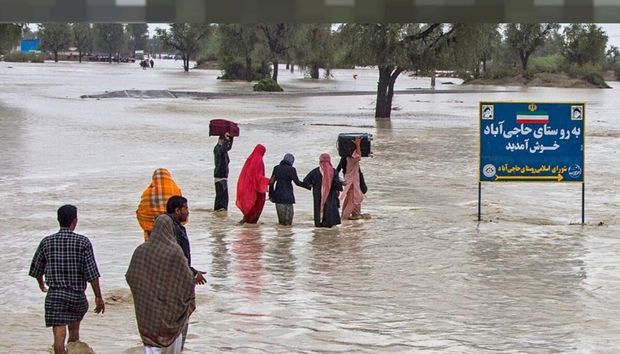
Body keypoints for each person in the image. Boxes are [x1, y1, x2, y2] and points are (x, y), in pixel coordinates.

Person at [28, 205, 105, 354]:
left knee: (58, 338)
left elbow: (36, 269)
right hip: (76, 296)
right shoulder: (83, 242)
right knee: (74, 334)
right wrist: (98, 297)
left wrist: (42, 285)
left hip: (55, 296)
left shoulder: (46, 242)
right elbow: (92, 274)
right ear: (75, 221)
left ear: (58, 220)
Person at [126, 214, 196, 354]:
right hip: (171, 313)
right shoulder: (175, 252)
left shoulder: (141, 251)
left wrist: (145, 293)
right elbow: (187, 280)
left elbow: (131, 276)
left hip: (148, 314)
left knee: (151, 349)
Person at [166, 195, 206, 349]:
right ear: (177, 210)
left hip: (171, 284)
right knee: (179, 324)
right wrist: (192, 273)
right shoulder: (174, 230)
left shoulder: (169, 227)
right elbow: (176, 259)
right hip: (176, 285)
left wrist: (192, 270)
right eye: (185, 208)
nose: (188, 212)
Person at [136, 168, 182, 241]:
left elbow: (141, 213)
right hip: (172, 231)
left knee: (153, 250)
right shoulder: (176, 190)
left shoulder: (147, 193)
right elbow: (181, 211)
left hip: (152, 233)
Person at [303, 153, 343, 228]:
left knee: (318, 208)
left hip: (317, 194)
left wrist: (312, 186)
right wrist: (340, 187)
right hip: (330, 195)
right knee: (329, 208)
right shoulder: (334, 172)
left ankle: (319, 224)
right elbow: (337, 184)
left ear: (320, 161)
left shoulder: (315, 171)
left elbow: (306, 181)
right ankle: (328, 225)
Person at [268, 153, 309, 225]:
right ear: (292, 161)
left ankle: (281, 235)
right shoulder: (292, 169)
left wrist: (271, 195)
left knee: (281, 222)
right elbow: (297, 182)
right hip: (288, 197)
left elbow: (271, 182)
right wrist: (308, 186)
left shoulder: (276, 168)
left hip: (278, 197)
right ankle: (288, 235)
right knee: (288, 223)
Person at [236, 144, 270, 224]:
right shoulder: (258, 160)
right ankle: (249, 222)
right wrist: (269, 181)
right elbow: (257, 177)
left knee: (252, 206)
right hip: (256, 189)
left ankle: (246, 221)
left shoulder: (250, 159)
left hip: (248, 187)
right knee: (256, 206)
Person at [338, 137, 366, 220]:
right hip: (353, 183)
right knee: (353, 201)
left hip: (349, 182)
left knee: (350, 200)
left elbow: (337, 169)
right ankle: (344, 220)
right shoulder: (352, 159)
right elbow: (358, 156)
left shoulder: (344, 159)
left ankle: (353, 217)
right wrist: (358, 144)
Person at [213, 132, 233, 211]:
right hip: (219, 176)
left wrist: (231, 138)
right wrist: (227, 140)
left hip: (223, 176)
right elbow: (223, 149)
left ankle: (220, 212)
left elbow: (228, 148)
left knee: (224, 198)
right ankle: (218, 212)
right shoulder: (217, 149)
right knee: (221, 198)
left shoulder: (222, 149)